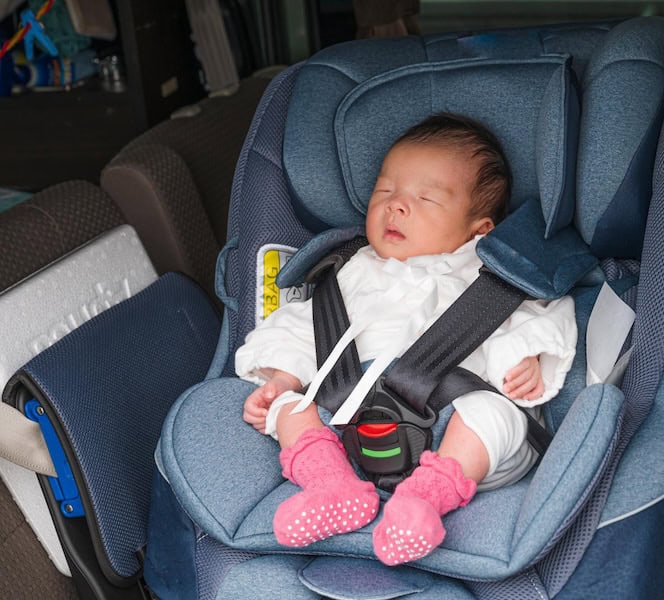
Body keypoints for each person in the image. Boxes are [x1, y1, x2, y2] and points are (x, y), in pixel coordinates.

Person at [235, 113, 577, 566]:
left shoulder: (490, 272)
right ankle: (331, 486)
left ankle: (426, 500)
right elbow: (303, 325)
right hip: (350, 428)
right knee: (290, 410)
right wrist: (281, 379)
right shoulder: (349, 269)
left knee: (494, 414)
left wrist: (526, 358)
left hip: (450, 425)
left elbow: (538, 315)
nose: (396, 205)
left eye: (425, 197)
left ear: (479, 229)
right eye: (385, 191)